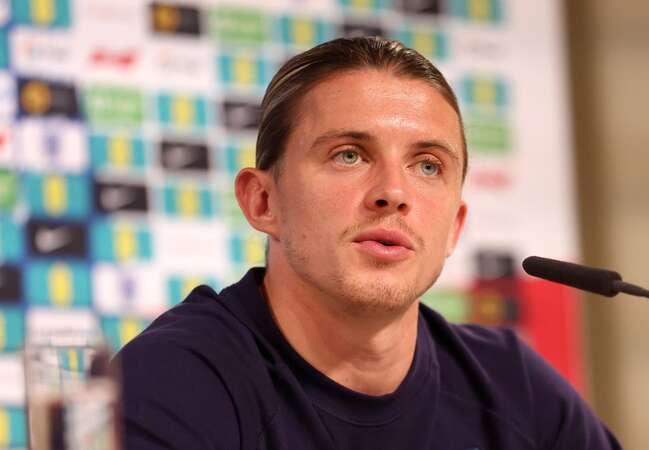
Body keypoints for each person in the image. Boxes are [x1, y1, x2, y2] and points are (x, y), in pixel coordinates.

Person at [115, 36, 621, 450]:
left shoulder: (514, 388)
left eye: (427, 166)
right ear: (263, 202)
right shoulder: (168, 384)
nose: (393, 195)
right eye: (349, 155)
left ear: (454, 227)